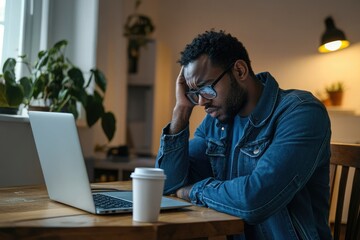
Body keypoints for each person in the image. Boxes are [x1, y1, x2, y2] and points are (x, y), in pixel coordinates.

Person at [155, 30, 332, 239]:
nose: (201, 102)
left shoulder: (301, 112)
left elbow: (255, 199)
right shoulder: (216, 123)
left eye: (207, 88)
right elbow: (168, 185)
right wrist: (181, 110)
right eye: (194, 93)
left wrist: (193, 191)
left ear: (239, 71)